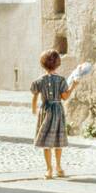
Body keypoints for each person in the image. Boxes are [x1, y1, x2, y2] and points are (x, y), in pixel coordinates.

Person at [31, 50, 74, 179]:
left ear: (42, 64)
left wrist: (34, 109)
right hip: (57, 111)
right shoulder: (61, 80)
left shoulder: (39, 81)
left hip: (45, 110)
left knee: (46, 141)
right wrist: (73, 86)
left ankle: (49, 169)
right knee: (58, 140)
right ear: (58, 64)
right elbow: (65, 97)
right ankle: (59, 167)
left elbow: (34, 96)